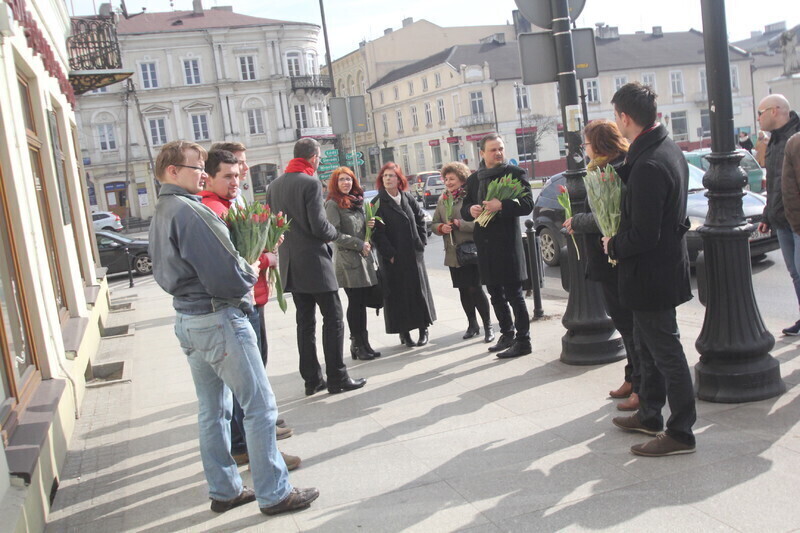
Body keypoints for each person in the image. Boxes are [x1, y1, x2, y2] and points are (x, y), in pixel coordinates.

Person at [148, 140, 318, 515]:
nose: (204, 175)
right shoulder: (191, 211)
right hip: (218, 318)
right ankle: (275, 493)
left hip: (189, 318)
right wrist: (253, 267)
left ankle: (224, 490)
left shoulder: (163, 208)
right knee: (260, 406)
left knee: (214, 410)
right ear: (173, 171)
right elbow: (230, 275)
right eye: (198, 168)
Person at [602, 82, 695, 457]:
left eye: (616, 117)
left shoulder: (650, 164)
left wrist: (613, 244)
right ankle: (651, 415)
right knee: (649, 345)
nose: (616, 123)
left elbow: (643, 233)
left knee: (666, 351)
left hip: (650, 275)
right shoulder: (666, 149)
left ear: (625, 118)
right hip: (660, 271)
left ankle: (681, 432)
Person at [199, 149, 296, 467]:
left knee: (246, 385)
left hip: (251, 298)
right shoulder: (214, 209)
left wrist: (267, 244)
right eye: (227, 176)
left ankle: (243, 445)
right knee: (251, 388)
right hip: (241, 303)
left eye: (238, 175)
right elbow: (236, 264)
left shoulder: (226, 205)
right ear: (209, 177)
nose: (235, 182)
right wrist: (267, 257)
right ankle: (256, 453)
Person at [265, 138, 366, 395]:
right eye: (319, 158)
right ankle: (337, 377)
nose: (319, 161)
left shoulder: (274, 186)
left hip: (291, 264)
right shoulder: (309, 182)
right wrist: (337, 231)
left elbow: (272, 225)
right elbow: (319, 227)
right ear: (313, 157)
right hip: (315, 263)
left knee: (305, 323)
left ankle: (312, 380)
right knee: (333, 320)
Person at [563, 120, 639, 412]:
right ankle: (632, 377)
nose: (585, 148)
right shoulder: (603, 168)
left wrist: (577, 222)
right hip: (606, 257)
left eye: (588, 143)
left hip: (614, 258)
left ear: (600, 144)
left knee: (627, 323)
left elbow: (610, 215)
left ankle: (639, 382)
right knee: (623, 321)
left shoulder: (615, 170)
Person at [461, 133, 534, 359]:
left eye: (500, 148)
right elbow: (465, 208)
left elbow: (527, 204)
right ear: (482, 153)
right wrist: (470, 210)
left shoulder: (514, 173)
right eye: (493, 149)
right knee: (494, 294)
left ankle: (523, 340)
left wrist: (501, 204)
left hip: (507, 246)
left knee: (514, 294)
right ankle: (507, 333)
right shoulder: (474, 180)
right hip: (485, 247)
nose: (498, 153)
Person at [370, 162, 436, 348]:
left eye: (392, 176)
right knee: (399, 296)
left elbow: (420, 218)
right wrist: (389, 253)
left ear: (399, 179)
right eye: (385, 176)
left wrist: (421, 240)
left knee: (418, 292)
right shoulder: (377, 202)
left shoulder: (407, 197)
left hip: (414, 255)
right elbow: (376, 232)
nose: (388, 179)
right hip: (393, 258)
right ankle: (404, 333)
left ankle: (424, 328)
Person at [432, 161, 494, 343]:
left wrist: (461, 224)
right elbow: (434, 222)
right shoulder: (443, 198)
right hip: (453, 254)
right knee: (463, 291)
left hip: (470, 251)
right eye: (446, 179)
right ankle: (472, 324)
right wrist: (440, 227)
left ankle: (488, 325)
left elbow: (481, 222)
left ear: (461, 179)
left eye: (452, 179)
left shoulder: (469, 197)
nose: (449, 182)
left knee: (476, 289)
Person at [324, 166, 382, 360]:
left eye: (348, 179)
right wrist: (359, 243)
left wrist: (370, 227)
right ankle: (357, 343)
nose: (346, 183)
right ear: (335, 183)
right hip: (348, 261)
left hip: (363, 259)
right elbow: (335, 234)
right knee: (355, 303)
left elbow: (361, 229)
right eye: (341, 180)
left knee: (361, 303)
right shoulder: (333, 203)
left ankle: (364, 343)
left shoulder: (358, 202)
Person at [755, 94, 800, 335]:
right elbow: (774, 184)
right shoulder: (774, 142)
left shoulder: (797, 138)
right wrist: (766, 215)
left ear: (775, 111)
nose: (758, 118)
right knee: (794, 272)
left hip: (797, 220)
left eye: (760, 113)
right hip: (781, 219)